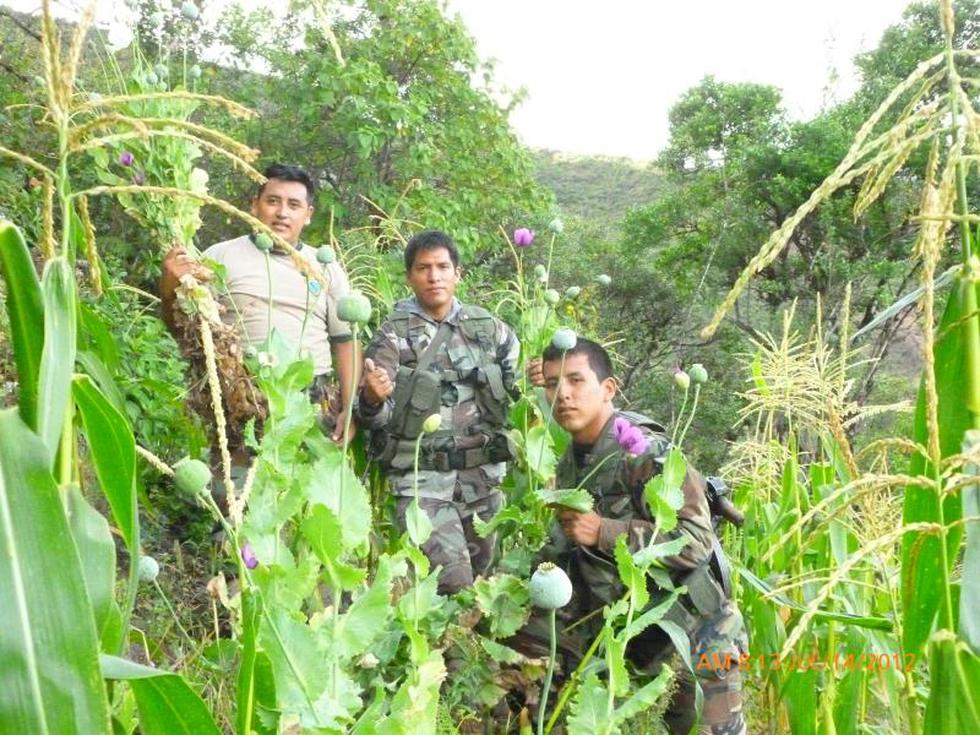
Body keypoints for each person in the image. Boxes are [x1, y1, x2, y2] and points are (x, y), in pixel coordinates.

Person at [525, 338, 746, 735]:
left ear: (608, 389)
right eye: (553, 384)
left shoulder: (643, 450)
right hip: (639, 637)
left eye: (576, 380)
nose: (563, 394)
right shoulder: (575, 459)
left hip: (698, 634)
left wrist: (604, 531)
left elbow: (696, 540)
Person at [357, 229, 519, 594]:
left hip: (482, 479)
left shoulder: (490, 329)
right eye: (423, 268)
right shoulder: (393, 335)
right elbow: (375, 417)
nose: (434, 276)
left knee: (483, 584)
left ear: (457, 273)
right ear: (409, 276)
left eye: (443, 267)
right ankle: (441, 651)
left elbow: (516, 390)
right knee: (451, 583)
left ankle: (466, 651)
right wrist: (372, 398)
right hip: (423, 482)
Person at [159, 163, 357, 443]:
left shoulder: (325, 266)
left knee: (307, 481)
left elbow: (346, 343)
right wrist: (168, 292)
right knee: (238, 484)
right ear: (255, 205)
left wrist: (350, 410)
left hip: (312, 398)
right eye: (273, 201)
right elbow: (185, 331)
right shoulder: (218, 258)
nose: (282, 213)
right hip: (240, 391)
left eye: (294, 205)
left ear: (308, 215)